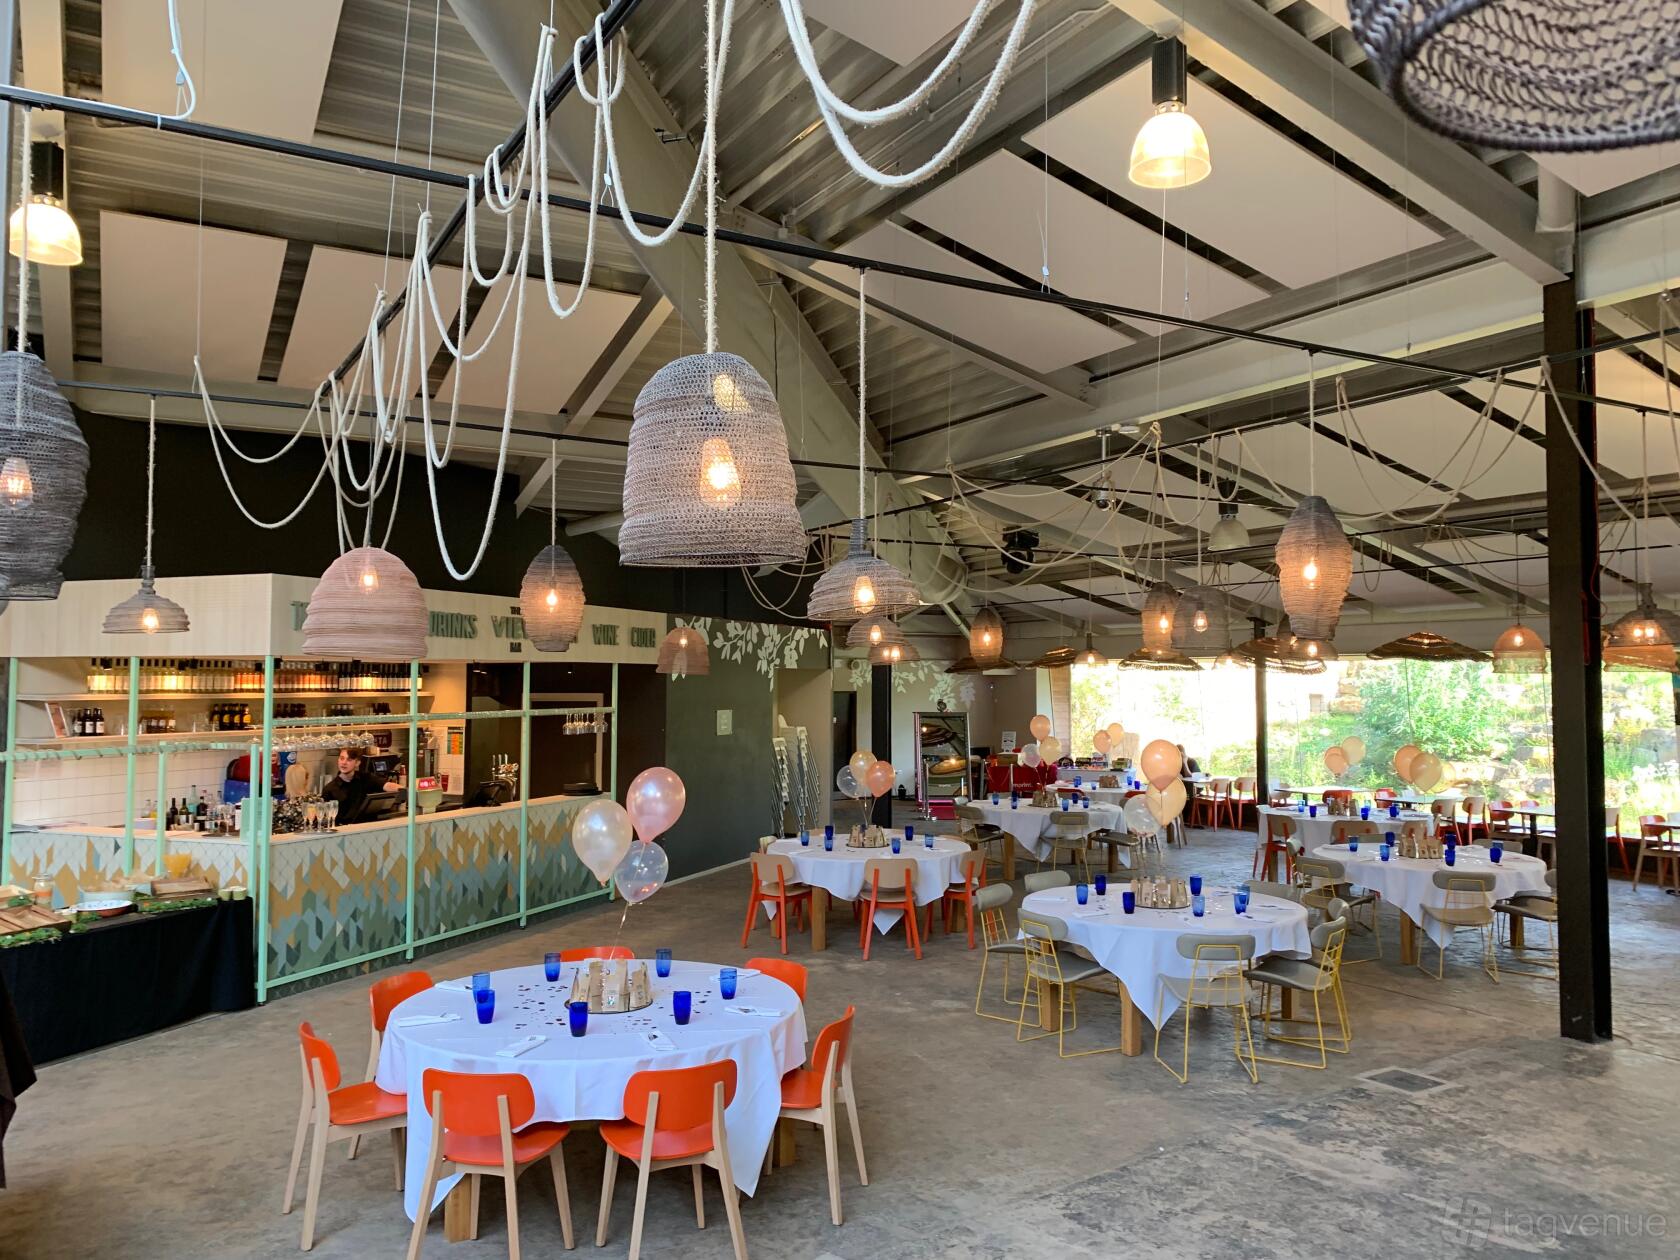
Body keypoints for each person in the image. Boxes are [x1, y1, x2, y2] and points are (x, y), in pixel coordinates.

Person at [320, 747, 401, 824]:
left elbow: (387, 785)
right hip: (343, 831)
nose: (344, 762)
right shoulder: (329, 789)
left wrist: (406, 790)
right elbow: (324, 818)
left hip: (366, 827)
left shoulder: (366, 778)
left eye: (349, 759)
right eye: (341, 758)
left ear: (357, 763)